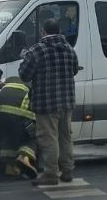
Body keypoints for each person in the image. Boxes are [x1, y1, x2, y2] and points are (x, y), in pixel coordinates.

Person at [19, 18, 79, 186]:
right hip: (67, 100)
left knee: (48, 138)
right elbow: (74, 70)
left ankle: (50, 173)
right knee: (65, 136)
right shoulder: (69, 49)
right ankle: (67, 171)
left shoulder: (37, 50)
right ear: (59, 31)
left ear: (43, 32)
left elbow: (24, 74)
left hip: (46, 102)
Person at [0, 76, 38, 179]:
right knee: (34, 136)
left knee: (8, 138)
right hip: (21, 117)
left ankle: (10, 166)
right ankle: (24, 156)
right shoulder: (29, 87)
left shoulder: (5, 86)